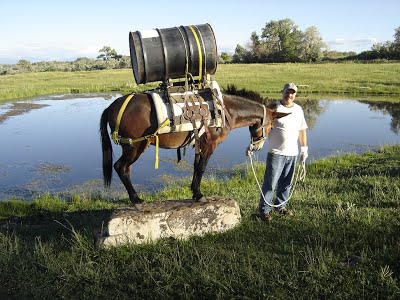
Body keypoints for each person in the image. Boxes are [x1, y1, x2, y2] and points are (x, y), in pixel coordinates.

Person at [258, 82, 308, 222]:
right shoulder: (273, 108)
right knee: (270, 183)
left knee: (286, 183)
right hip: (276, 153)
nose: (289, 95)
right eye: (287, 92)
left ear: (295, 95)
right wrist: (255, 144)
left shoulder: (298, 110)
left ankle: (281, 206)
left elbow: (302, 130)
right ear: (282, 91)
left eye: (292, 93)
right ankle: (264, 210)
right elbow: (263, 128)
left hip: (292, 153)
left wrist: (304, 149)